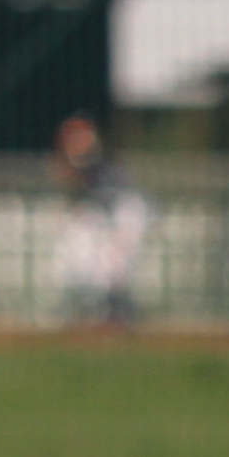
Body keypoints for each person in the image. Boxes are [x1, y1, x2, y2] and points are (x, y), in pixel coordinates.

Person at [50, 113, 146, 328]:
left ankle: (118, 315)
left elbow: (120, 203)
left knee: (112, 268)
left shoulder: (97, 162)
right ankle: (98, 314)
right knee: (88, 267)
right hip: (103, 216)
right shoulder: (73, 164)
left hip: (123, 211)